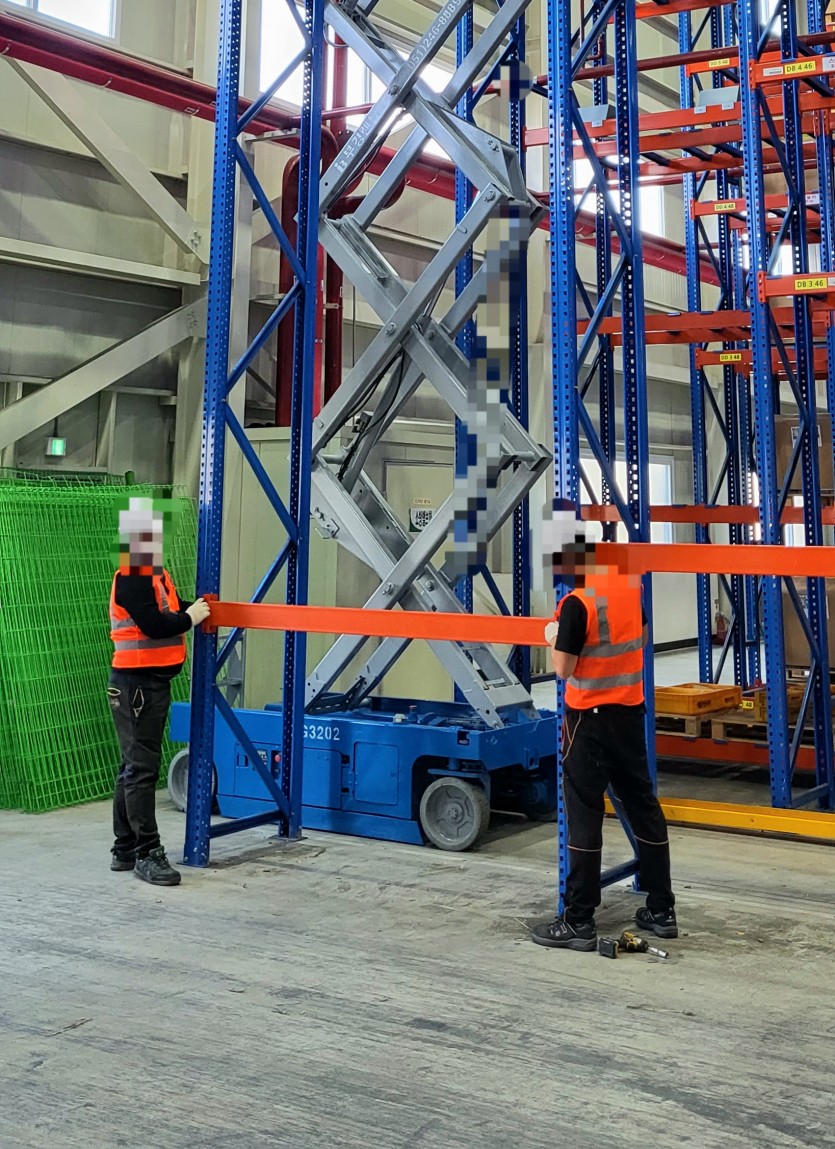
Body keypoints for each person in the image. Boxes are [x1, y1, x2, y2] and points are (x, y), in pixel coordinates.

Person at [532, 520, 677, 951]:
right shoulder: (628, 590)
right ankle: (662, 909)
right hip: (629, 715)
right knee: (643, 806)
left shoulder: (577, 604)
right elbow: (642, 638)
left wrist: (553, 635)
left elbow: (564, 669)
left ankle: (578, 919)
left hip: (588, 722)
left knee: (584, 815)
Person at [107, 497, 210, 886]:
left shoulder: (153, 574)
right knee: (141, 769)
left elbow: (169, 608)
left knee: (132, 766)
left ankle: (125, 848)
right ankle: (146, 853)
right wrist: (189, 618)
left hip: (144, 684)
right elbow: (154, 624)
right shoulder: (134, 574)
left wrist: (194, 608)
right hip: (137, 685)